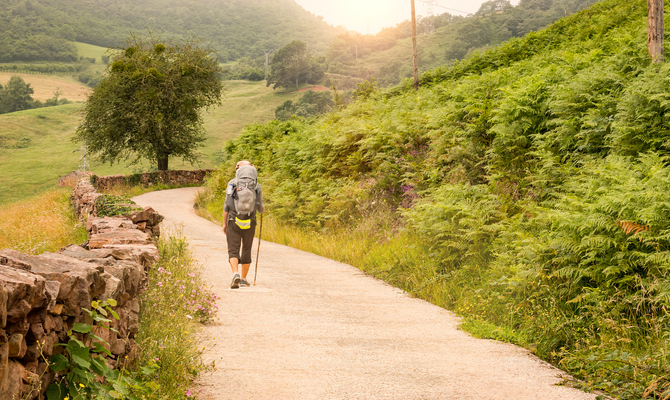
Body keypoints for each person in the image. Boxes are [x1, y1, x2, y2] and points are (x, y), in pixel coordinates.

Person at [223, 160, 265, 289]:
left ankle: (235, 273)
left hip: (233, 220)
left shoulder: (232, 183)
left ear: (238, 170)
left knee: (233, 249)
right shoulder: (256, 186)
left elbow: (227, 205)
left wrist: (224, 223)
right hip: (250, 221)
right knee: (246, 248)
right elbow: (260, 208)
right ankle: (243, 279)